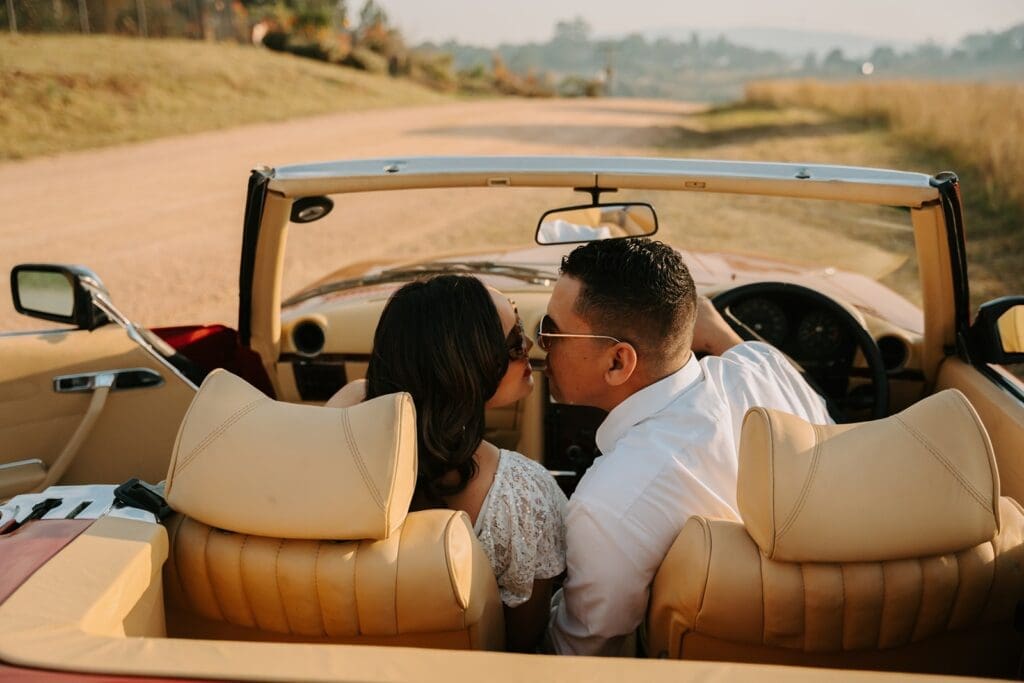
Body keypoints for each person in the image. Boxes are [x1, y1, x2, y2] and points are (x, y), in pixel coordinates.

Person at [542, 238, 832, 657]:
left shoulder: (611, 502)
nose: (539, 345)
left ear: (618, 362)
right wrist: (712, 330)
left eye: (551, 331)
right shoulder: (765, 367)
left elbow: (580, 653)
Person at [325, 275, 567, 653]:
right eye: (515, 342)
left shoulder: (337, 442)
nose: (530, 346)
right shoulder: (522, 494)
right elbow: (524, 643)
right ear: (466, 368)